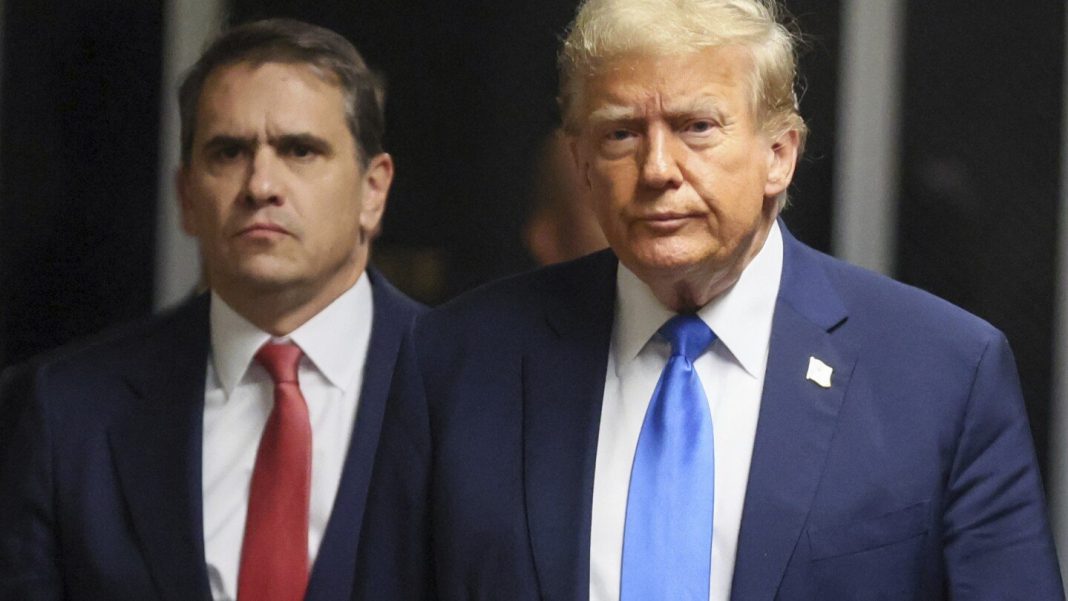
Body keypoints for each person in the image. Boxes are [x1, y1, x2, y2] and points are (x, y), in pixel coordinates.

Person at [353, 0, 1063, 599]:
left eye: (697, 127)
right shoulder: (456, 363)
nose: (657, 169)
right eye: (621, 133)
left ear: (779, 154)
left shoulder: (942, 375)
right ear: (582, 165)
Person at [0, 18, 423, 601]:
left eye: (299, 150)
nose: (261, 185)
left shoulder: (472, 387)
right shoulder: (67, 411)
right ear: (186, 197)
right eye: (229, 152)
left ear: (373, 191)